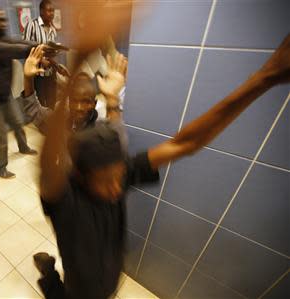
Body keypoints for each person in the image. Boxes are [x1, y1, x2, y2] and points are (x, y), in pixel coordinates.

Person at [34, 34, 290, 299]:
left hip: (108, 281)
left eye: (118, 175)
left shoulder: (118, 174)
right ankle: (48, 271)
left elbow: (185, 143)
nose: (116, 188)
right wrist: (78, 61)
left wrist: (264, 78)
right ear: (80, 176)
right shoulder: (66, 201)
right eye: (104, 180)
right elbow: (46, 168)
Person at [0, 7, 48, 179]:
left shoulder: (3, 38)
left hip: (4, 93)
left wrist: (40, 46)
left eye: (4, 20)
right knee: (0, 135)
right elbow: (8, 49)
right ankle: (0, 168)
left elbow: (20, 43)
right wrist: (35, 51)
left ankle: (23, 147)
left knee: (17, 122)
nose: (4, 23)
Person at [18, 46, 127, 136]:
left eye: (86, 101)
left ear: (94, 104)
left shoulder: (99, 129)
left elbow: (115, 139)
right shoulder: (61, 123)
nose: (79, 107)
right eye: (74, 101)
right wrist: (28, 78)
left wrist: (112, 100)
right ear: (68, 102)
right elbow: (34, 111)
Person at [23, 0, 59, 109]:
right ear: (42, 11)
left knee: (52, 100)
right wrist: (41, 60)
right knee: (41, 104)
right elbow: (25, 48)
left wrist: (55, 61)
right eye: (49, 10)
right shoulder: (32, 25)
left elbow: (51, 51)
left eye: (53, 11)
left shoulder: (53, 29)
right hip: (38, 74)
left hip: (50, 72)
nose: (52, 13)